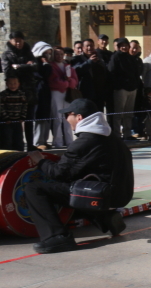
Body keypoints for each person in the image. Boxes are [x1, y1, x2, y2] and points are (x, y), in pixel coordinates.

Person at [22, 97, 133, 253]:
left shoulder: (86, 141)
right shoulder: (110, 136)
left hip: (105, 195)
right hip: (121, 194)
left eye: (68, 115)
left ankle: (57, 237)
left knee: (35, 189)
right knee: (74, 184)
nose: (67, 119)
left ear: (79, 117)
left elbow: (59, 173)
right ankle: (105, 218)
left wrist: (40, 161)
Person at [2, 30, 40, 150]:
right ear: (11, 41)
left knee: (29, 120)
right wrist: (27, 66)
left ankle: (30, 145)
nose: (18, 43)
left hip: (29, 91)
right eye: (16, 41)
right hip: (13, 93)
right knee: (13, 122)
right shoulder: (6, 55)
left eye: (20, 41)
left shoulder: (28, 53)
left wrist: (19, 66)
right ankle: (15, 146)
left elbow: (35, 67)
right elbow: (8, 71)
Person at [104, 37, 140, 140]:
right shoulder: (115, 57)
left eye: (126, 45)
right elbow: (111, 72)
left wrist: (135, 84)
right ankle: (117, 134)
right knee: (118, 114)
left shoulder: (131, 58)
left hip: (132, 88)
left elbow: (136, 73)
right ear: (119, 47)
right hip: (121, 89)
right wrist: (118, 85)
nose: (124, 47)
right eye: (122, 45)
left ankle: (127, 133)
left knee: (129, 113)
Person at [45, 46, 78, 148]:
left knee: (68, 118)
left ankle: (69, 141)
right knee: (57, 118)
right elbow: (53, 81)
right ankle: (58, 142)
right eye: (57, 54)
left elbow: (74, 81)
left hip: (67, 94)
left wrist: (69, 81)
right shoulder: (51, 66)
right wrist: (66, 83)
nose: (59, 56)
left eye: (61, 54)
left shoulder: (68, 66)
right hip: (56, 93)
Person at [73, 39, 110, 113]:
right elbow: (77, 70)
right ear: (83, 48)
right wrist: (89, 62)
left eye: (91, 46)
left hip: (99, 91)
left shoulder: (99, 57)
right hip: (86, 92)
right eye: (87, 46)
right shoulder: (77, 58)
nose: (89, 48)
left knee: (99, 113)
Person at [0, 73, 28, 151]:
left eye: (15, 83)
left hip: (17, 121)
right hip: (6, 122)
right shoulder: (3, 95)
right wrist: (6, 118)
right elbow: (1, 107)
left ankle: (19, 153)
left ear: (19, 84)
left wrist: (22, 117)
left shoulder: (21, 94)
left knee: (18, 138)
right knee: (7, 139)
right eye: (10, 83)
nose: (13, 85)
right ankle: (7, 154)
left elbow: (24, 106)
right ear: (6, 84)